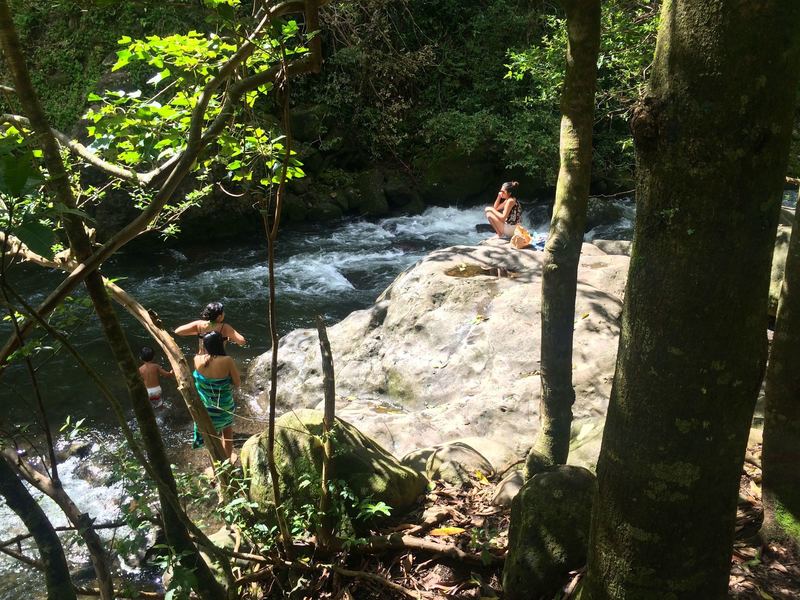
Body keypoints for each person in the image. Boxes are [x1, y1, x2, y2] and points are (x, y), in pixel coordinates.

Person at [192, 331, 240, 460]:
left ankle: (215, 469)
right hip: (224, 406)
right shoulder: (227, 360)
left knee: (211, 439)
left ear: (205, 345)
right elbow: (237, 382)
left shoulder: (196, 359)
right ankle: (227, 462)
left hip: (206, 408)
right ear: (220, 344)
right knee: (227, 434)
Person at [175, 301, 247, 355]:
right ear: (219, 316)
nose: (224, 314)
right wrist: (230, 337)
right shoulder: (224, 327)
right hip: (217, 361)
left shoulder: (199, 324)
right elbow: (242, 342)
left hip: (201, 361)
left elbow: (178, 331)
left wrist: (198, 333)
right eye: (223, 312)